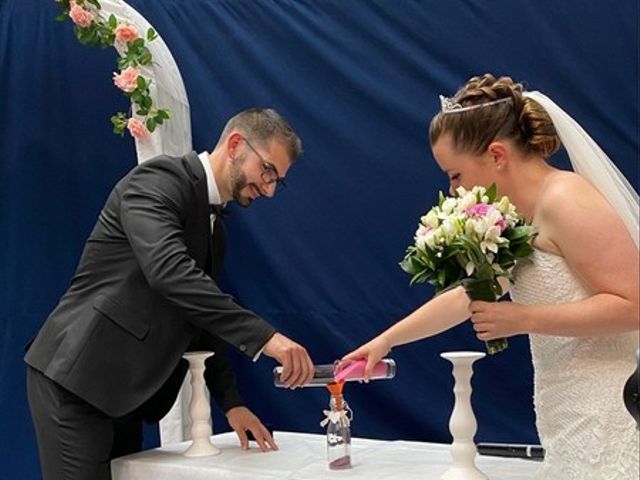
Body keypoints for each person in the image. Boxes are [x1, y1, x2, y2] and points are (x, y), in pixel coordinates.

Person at [340, 74, 639, 479]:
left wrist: (525, 318)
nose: (453, 191)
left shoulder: (567, 200)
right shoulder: (516, 216)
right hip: (563, 410)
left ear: (497, 155)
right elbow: (468, 296)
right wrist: (386, 340)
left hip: (608, 407)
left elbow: (634, 305)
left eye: (455, 176)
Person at [25, 107, 315, 480]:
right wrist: (267, 339)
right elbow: (170, 274)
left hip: (121, 392)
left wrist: (232, 404)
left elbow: (200, 314)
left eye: (279, 180)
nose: (271, 189)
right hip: (78, 381)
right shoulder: (158, 181)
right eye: (268, 171)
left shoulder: (216, 231)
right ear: (236, 144)